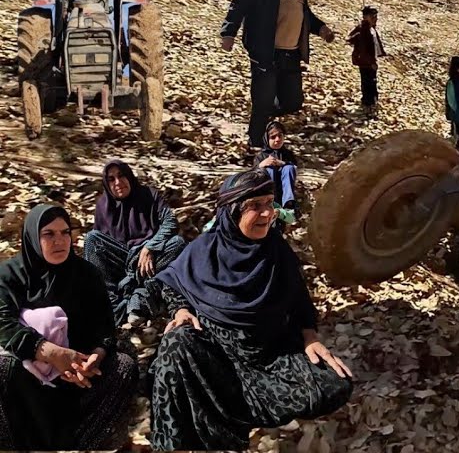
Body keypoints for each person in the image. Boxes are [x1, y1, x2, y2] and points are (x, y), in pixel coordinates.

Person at [150, 169, 353, 451]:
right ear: (232, 212)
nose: (268, 214)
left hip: (269, 353)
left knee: (335, 385)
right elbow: (172, 283)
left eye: (270, 203)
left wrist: (310, 336)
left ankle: (229, 407)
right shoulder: (204, 249)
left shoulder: (276, 251)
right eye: (255, 206)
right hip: (218, 355)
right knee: (176, 343)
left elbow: (299, 299)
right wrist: (180, 311)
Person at [0, 205, 139, 449]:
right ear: (32, 236)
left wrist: (95, 356)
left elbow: (105, 326)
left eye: (65, 232)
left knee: (124, 367)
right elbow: (3, 324)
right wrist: (52, 353)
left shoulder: (86, 274)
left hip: (79, 373)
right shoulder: (10, 275)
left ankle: (85, 442)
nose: (60, 241)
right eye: (49, 234)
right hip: (27, 373)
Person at [220, 0, 335, 151]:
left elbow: (303, 14)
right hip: (265, 51)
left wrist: (320, 28)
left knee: (293, 101)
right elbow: (239, 3)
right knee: (263, 100)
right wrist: (229, 33)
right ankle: (255, 145)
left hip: (290, 53)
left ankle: (262, 116)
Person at [82, 160, 188, 325]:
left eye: (121, 175)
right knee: (92, 239)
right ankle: (115, 302)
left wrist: (150, 246)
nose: (118, 183)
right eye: (111, 179)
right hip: (121, 261)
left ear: (129, 176)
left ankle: (137, 294)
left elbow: (170, 222)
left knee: (177, 243)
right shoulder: (103, 206)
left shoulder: (148, 195)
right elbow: (102, 252)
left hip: (148, 261)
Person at [346, 6, 386, 115]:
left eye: (376, 16)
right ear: (365, 17)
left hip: (367, 61)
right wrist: (372, 62)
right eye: (372, 16)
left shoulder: (370, 28)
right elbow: (365, 49)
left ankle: (371, 102)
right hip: (365, 62)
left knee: (370, 81)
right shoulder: (364, 30)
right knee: (369, 82)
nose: (375, 18)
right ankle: (368, 104)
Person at [255, 120, 300, 212]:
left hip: (283, 188)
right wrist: (262, 165)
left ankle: (288, 202)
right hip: (268, 191)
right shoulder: (261, 156)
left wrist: (282, 163)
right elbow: (253, 175)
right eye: (273, 137)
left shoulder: (288, 154)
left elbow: (295, 169)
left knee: (289, 168)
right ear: (267, 139)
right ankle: (271, 201)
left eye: (280, 136)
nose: (277, 139)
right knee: (269, 169)